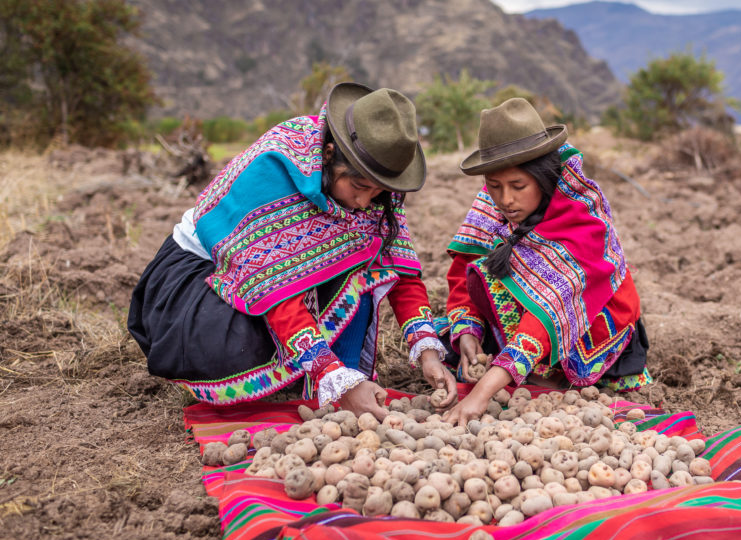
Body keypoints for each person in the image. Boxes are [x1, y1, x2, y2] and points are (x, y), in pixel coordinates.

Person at [128, 83, 456, 420]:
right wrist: (330, 373)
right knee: (226, 352)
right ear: (328, 154)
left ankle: (337, 374)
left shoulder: (378, 189)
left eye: (377, 192)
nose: (363, 203)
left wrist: (428, 350)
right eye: (358, 187)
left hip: (284, 281)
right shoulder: (274, 169)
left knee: (363, 264)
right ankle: (328, 376)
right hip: (204, 279)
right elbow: (275, 289)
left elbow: (397, 266)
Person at [439, 98, 651, 426]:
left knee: (506, 283)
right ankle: (515, 367)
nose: (505, 199)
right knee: (483, 275)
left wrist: (481, 395)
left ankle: (548, 374)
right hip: (528, 319)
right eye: (494, 186)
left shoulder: (582, 218)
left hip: (590, 320)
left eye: (518, 186)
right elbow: (462, 273)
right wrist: (468, 333)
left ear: (543, 176)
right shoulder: (492, 205)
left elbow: (550, 311)